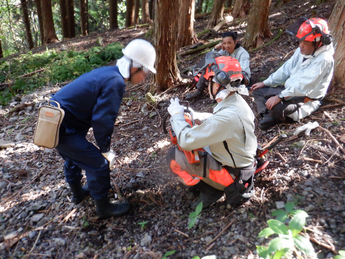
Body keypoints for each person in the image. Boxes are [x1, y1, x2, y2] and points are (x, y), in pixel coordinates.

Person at [51, 39, 156, 219]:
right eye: (145, 73)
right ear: (134, 68)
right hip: (63, 127)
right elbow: (103, 120)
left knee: (73, 157)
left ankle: (78, 195)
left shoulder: (109, 73)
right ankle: (103, 207)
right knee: (99, 165)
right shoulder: (116, 82)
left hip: (59, 121)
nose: (144, 78)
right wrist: (105, 150)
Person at [166, 56, 257, 209]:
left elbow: (186, 140)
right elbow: (216, 121)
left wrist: (176, 115)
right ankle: (211, 183)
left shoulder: (227, 117)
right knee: (197, 145)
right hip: (237, 162)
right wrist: (195, 116)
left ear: (218, 84)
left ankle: (211, 190)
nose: (208, 85)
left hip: (233, 176)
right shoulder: (236, 102)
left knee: (173, 157)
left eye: (209, 82)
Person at [251, 18, 334, 130]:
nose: (301, 46)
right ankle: (268, 114)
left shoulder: (324, 59)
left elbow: (304, 86)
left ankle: (273, 115)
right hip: (288, 92)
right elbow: (285, 69)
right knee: (258, 90)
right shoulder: (302, 52)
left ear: (318, 42)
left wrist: (279, 97)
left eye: (305, 43)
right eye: (300, 41)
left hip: (305, 100)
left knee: (277, 107)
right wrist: (266, 82)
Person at [185, 31, 251, 100]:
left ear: (236, 42)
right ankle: (199, 91)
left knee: (220, 75)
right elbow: (212, 60)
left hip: (238, 79)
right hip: (225, 76)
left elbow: (245, 72)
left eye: (229, 43)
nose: (226, 46)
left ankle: (222, 94)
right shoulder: (224, 51)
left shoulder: (243, 54)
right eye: (224, 43)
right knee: (209, 67)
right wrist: (215, 49)